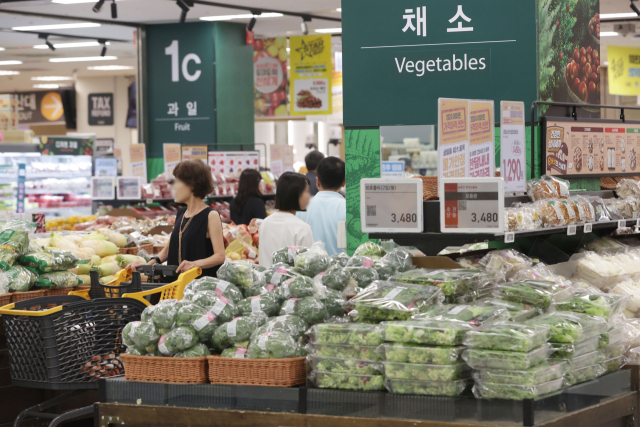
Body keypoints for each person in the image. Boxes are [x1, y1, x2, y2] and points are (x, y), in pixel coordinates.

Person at [130, 160, 226, 277]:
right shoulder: (181, 213)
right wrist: (148, 264)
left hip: (198, 286)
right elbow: (167, 251)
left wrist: (195, 264)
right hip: (175, 285)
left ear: (192, 185)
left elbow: (220, 256)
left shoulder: (210, 215)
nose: (173, 186)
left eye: (177, 181)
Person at [258, 171, 313, 267]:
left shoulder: (265, 223)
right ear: (295, 194)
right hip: (291, 281)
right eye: (307, 191)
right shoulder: (302, 228)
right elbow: (308, 266)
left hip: (265, 279)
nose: (309, 196)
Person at [297, 157, 346, 255]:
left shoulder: (301, 208)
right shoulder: (349, 209)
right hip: (341, 269)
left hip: (307, 268)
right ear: (344, 182)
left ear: (317, 181)